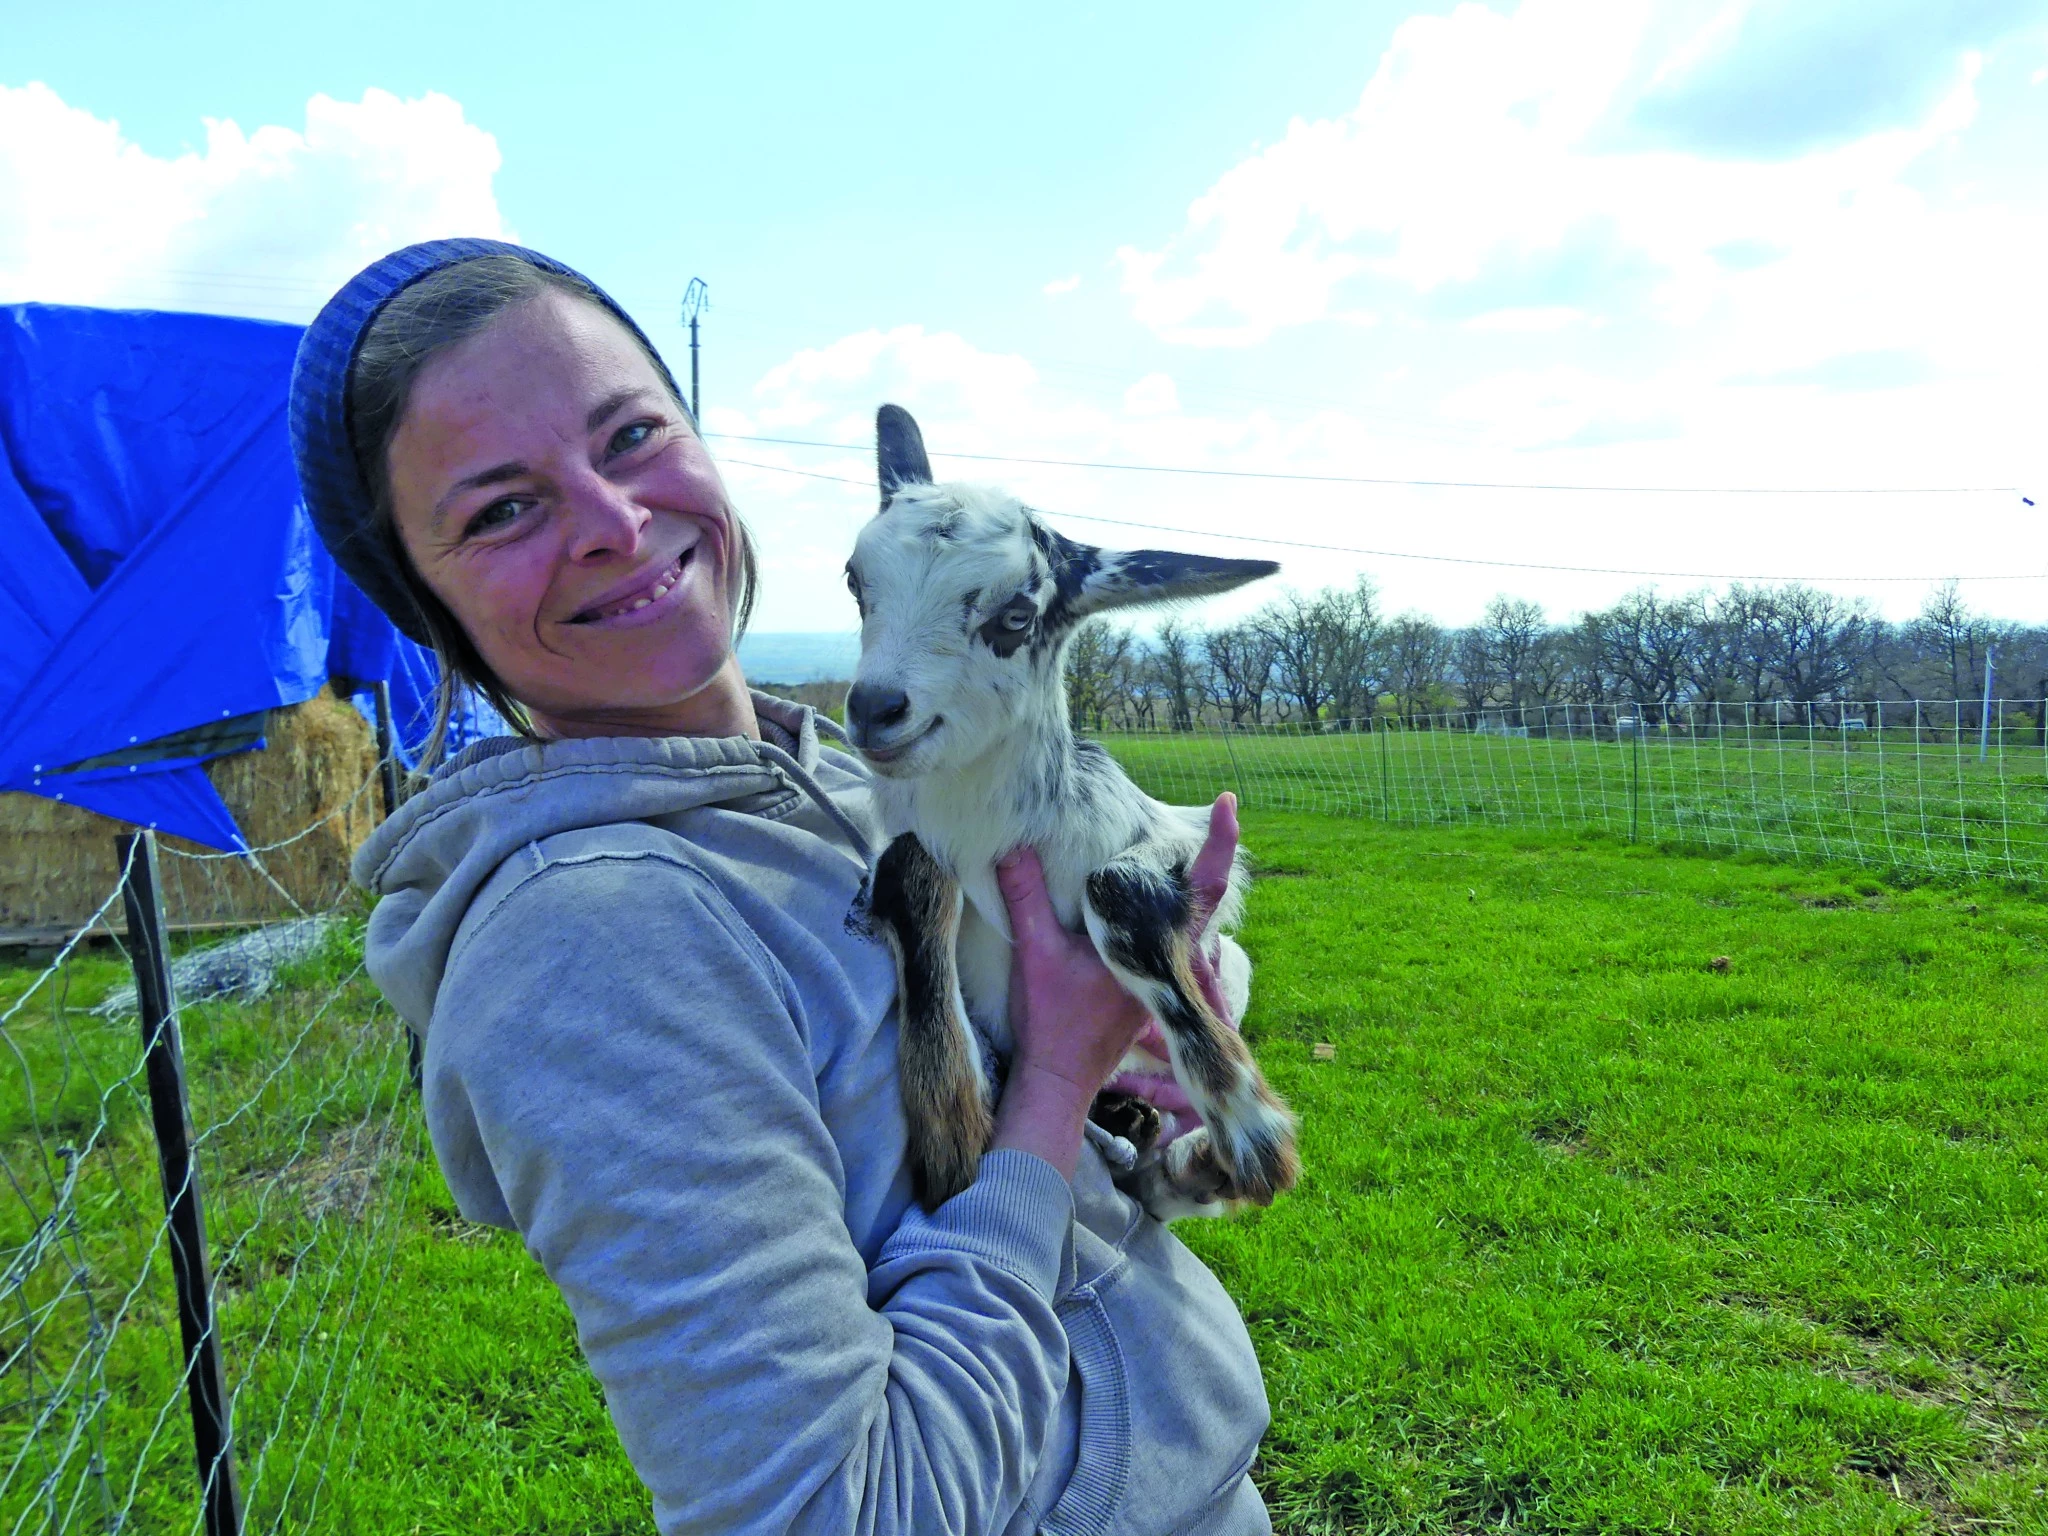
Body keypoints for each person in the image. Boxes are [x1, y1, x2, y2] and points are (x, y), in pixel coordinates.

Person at [290, 238, 1273, 1535]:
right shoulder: (589, 941)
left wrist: (1137, 1036)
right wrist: (1052, 1082)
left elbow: (1035, 1049)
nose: (614, 523)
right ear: (424, 599)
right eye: (501, 510)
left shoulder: (844, 784)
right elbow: (836, 1511)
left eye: (630, 435)